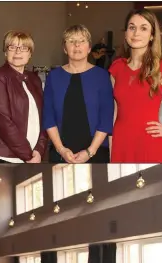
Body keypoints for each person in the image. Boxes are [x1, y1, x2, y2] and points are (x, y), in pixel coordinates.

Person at [109, 9, 162, 163]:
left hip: (149, 141)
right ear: (126, 33)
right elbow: (114, 111)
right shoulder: (117, 67)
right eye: (132, 27)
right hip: (120, 142)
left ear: (152, 35)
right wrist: (112, 147)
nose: (136, 33)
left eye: (143, 28)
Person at [42, 24, 114, 163]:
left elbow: (106, 118)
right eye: (71, 41)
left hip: (96, 152)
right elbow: (48, 117)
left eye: (82, 41)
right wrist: (61, 149)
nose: (77, 45)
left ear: (89, 48)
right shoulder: (54, 76)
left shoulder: (102, 76)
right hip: (60, 152)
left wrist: (90, 151)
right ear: (64, 48)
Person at [0, 31, 47, 163]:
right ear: (5, 52)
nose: (17, 52)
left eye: (24, 48)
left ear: (30, 53)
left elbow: (44, 115)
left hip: (34, 155)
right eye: (12, 47)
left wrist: (39, 149)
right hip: (7, 156)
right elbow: (2, 120)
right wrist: (28, 155)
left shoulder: (34, 79)